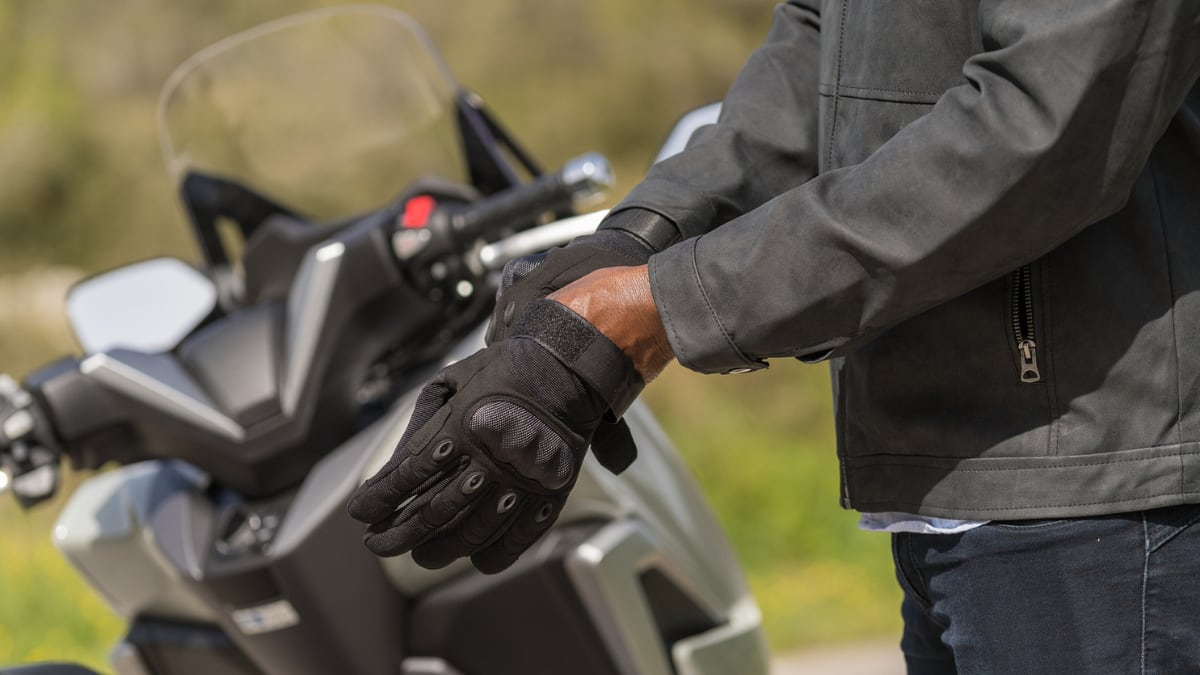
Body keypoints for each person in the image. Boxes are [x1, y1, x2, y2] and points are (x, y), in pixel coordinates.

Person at [348, 1, 1200, 672]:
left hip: (1098, 491)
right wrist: (642, 238)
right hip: (944, 481)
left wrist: (663, 305)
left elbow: (1047, 124)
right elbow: (819, 44)